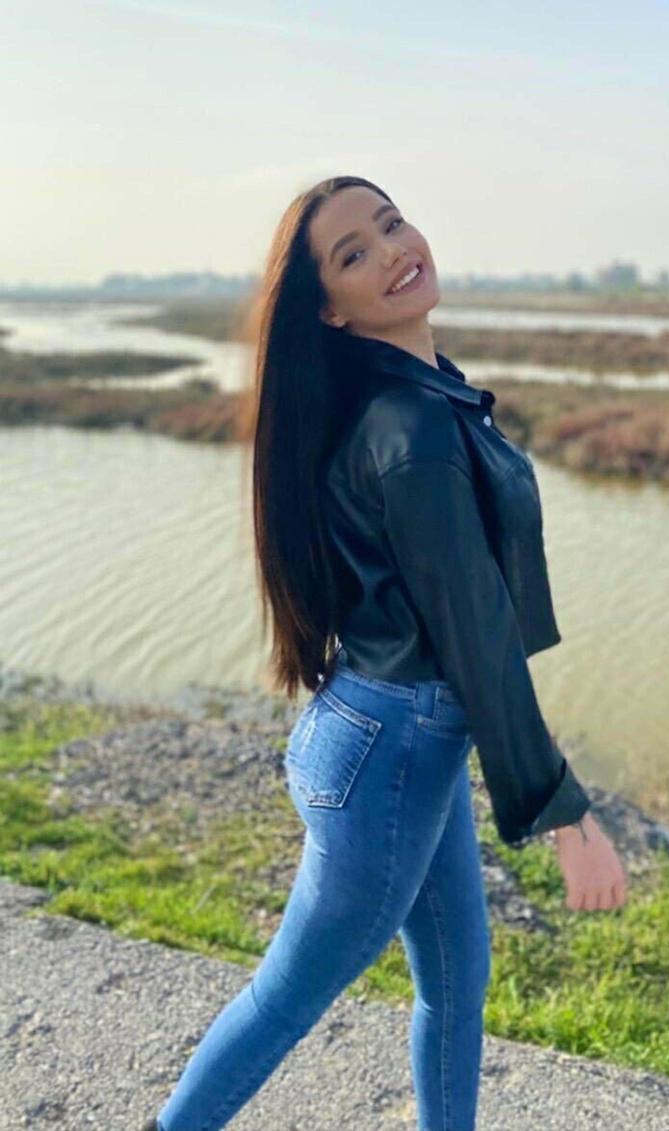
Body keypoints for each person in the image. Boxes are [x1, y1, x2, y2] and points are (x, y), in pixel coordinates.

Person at [144, 175, 628, 1131]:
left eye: (391, 222)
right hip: (391, 753)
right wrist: (567, 815)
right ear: (330, 308)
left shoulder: (412, 394)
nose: (395, 250)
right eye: (355, 253)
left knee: (455, 983)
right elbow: (476, 638)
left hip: (385, 738)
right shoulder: (410, 429)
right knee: (286, 999)